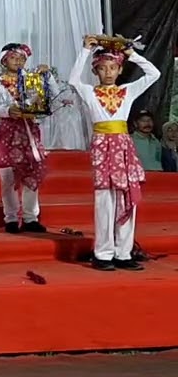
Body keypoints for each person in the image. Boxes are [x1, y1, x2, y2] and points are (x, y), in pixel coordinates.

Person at [68, 38, 159, 271]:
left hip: (123, 146)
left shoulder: (127, 91)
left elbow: (154, 74)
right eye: (102, 68)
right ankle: (103, 253)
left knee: (126, 196)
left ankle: (124, 252)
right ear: (95, 70)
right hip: (102, 146)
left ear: (120, 69)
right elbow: (73, 80)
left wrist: (131, 54)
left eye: (113, 67)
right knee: (104, 201)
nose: (108, 72)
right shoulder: (89, 92)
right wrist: (86, 50)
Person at [0, 44, 49, 233]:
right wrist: (7, 111)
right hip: (7, 132)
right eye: (14, 58)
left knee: (31, 174)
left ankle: (31, 218)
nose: (18, 61)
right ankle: (11, 218)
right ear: (4, 61)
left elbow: (45, 99)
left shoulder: (32, 80)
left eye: (21, 58)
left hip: (29, 131)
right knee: (8, 178)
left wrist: (47, 76)